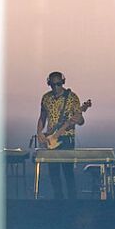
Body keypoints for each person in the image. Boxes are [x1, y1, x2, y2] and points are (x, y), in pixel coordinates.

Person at [37, 71, 84, 200]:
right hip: (51, 139)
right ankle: (58, 201)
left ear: (62, 82)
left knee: (68, 172)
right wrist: (39, 132)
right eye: (52, 84)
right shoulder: (46, 98)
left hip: (66, 138)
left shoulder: (72, 98)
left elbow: (81, 121)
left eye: (58, 84)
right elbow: (42, 117)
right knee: (53, 173)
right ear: (49, 84)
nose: (56, 87)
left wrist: (78, 119)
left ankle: (72, 202)